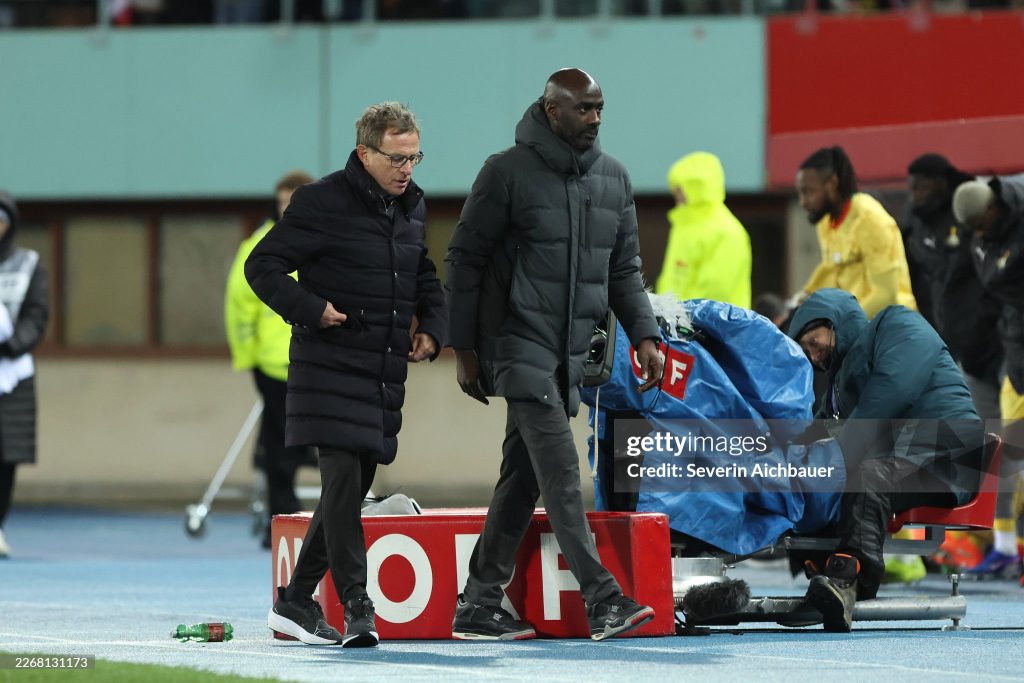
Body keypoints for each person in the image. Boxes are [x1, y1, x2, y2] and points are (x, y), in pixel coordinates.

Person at [445, 68, 665, 642]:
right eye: (583, 109)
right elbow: (464, 259)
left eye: (599, 108)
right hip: (517, 344)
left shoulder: (614, 179)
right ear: (550, 110)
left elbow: (625, 269)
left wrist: (645, 334)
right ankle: (604, 599)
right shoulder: (505, 172)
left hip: (569, 353)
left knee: (522, 477)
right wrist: (465, 349)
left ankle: (478, 604)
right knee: (563, 471)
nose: (594, 118)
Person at [246, 102, 447, 647]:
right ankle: (359, 606)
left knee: (349, 487)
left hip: (380, 370)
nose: (408, 168)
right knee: (341, 482)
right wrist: (310, 308)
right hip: (327, 366)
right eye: (397, 157)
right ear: (365, 153)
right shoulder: (320, 201)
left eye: (415, 157)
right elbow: (261, 266)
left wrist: (433, 324)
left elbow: (421, 271)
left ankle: (293, 602)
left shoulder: (411, 207)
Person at [788, 288, 983, 632]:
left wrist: (833, 459)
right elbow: (815, 430)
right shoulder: (840, 384)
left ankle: (848, 580)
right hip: (909, 455)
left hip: (949, 453)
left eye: (814, 342)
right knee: (823, 478)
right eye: (806, 352)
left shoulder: (898, 323)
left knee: (866, 477)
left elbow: (891, 390)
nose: (814, 356)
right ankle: (823, 573)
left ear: (836, 323)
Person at [225, 170, 315, 549]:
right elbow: (239, 306)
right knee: (281, 444)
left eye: (292, 202)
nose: (285, 210)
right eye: (281, 203)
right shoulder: (258, 246)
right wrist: (249, 358)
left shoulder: (323, 240)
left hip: (314, 361)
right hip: (273, 365)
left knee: (306, 440)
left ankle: (311, 520)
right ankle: (282, 520)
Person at [953, 177, 1024, 578]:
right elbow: (995, 280)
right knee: (1009, 450)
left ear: (995, 207)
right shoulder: (988, 238)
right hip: (1017, 352)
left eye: (981, 223)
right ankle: (1006, 545)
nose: (977, 233)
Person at [901, 154, 1002, 422]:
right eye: (911, 188)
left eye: (921, 187)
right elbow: (911, 276)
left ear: (941, 184)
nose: (915, 196)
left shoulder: (970, 213)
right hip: (946, 338)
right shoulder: (914, 224)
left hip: (991, 336)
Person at [792, 146, 916, 318]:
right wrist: (799, 302)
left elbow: (886, 295)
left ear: (832, 183)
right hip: (859, 326)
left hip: (895, 329)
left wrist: (843, 326)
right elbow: (830, 269)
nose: (803, 201)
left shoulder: (870, 219)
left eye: (808, 191)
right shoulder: (826, 222)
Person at [0, 191, 49, 560]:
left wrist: (13, 344)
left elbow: (37, 313)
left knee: (6, 456)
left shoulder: (27, 264)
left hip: (12, 373)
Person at [654, 151, 751, 307]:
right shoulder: (684, 226)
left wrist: (677, 317)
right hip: (678, 325)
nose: (676, 194)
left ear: (696, 188)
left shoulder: (726, 231)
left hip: (715, 328)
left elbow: (716, 293)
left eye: (680, 188)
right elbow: (670, 282)